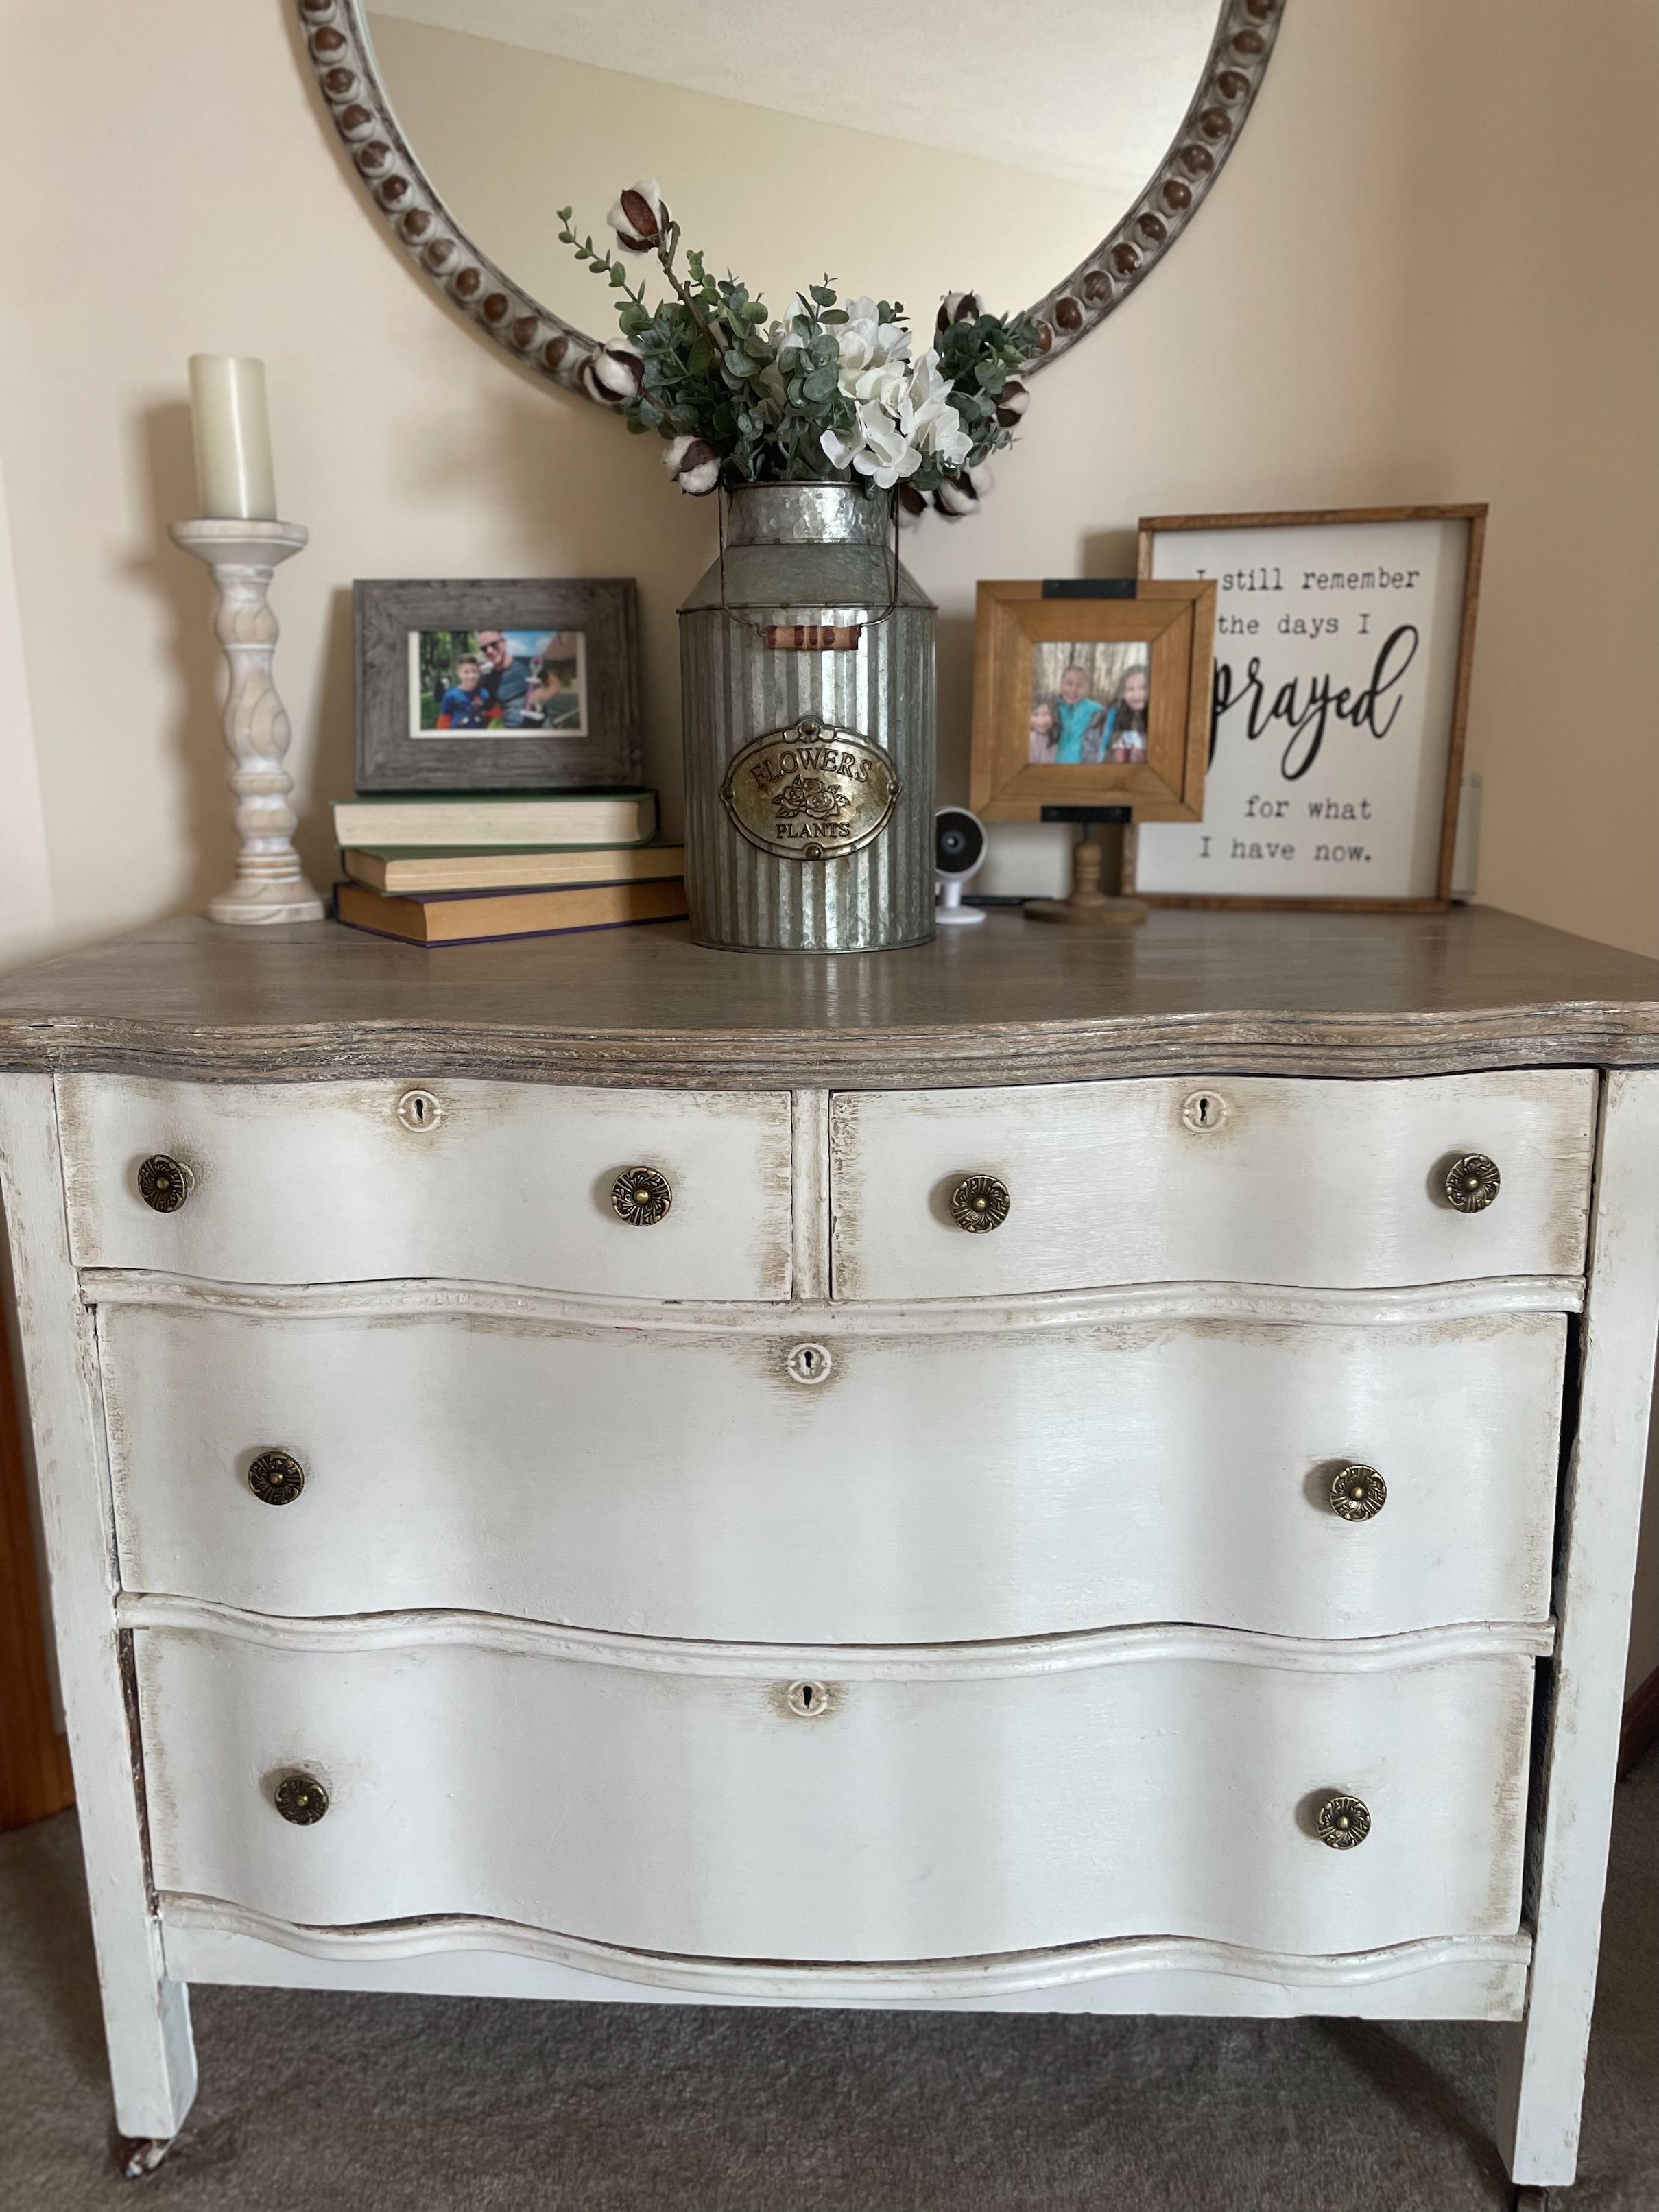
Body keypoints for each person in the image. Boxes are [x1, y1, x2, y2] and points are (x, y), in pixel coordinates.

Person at [477, 630, 534, 728]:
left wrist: (544, 694)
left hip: (541, 728)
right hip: (513, 733)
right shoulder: (488, 680)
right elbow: (488, 712)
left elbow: (554, 684)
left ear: (504, 642)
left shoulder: (527, 663)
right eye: (484, 648)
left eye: (493, 644)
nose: (489, 651)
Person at [1052, 664, 1108, 763]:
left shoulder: (1096, 710)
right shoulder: (1050, 707)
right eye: (1069, 684)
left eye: (1080, 686)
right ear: (1061, 684)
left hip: (1080, 766)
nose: (1073, 689)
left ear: (1086, 688)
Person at [1103, 663, 1150, 764]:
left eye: (1143, 688)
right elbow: (1104, 751)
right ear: (1123, 693)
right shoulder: (1115, 718)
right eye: (1130, 689)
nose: (1137, 694)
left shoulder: (1158, 716)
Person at [433, 654, 490, 731]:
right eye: (466, 672)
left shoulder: (484, 693)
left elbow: (489, 714)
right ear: (458, 674)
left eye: (475, 672)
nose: (471, 676)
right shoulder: (451, 696)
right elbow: (444, 720)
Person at [1028, 698, 1060, 763]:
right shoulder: (1030, 741)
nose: (1041, 721)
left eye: (1046, 714)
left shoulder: (1059, 738)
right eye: (1035, 715)